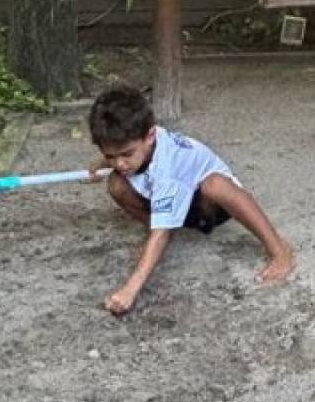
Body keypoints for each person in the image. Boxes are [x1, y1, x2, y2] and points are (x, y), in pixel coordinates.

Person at [87, 85, 295, 315]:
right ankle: (158, 228)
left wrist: (129, 289)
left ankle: (279, 250)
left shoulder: (168, 168)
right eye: (110, 155)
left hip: (207, 207)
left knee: (215, 184)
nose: (120, 163)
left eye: (126, 154)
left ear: (150, 136)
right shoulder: (142, 137)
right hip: (173, 200)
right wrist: (105, 163)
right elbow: (121, 158)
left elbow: (166, 195)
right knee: (116, 184)